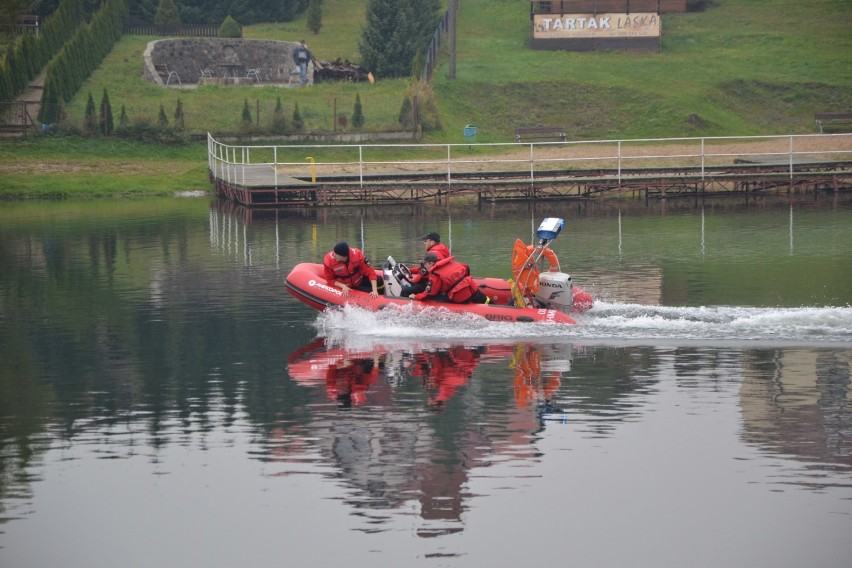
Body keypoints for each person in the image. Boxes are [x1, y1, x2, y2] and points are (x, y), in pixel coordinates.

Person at [409, 252, 490, 304]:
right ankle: (494, 306)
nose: (424, 266)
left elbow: (429, 293)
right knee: (486, 300)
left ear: (431, 263)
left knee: (435, 299)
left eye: (425, 264)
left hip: (461, 297)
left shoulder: (435, 275)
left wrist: (416, 296)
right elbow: (466, 267)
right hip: (472, 288)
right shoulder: (451, 264)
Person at [400, 232, 451, 297]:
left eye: (426, 241)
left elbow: (423, 272)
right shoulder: (441, 251)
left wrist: (413, 281)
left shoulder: (433, 254)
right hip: (437, 282)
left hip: (433, 284)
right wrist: (408, 270)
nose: (424, 243)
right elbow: (424, 269)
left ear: (432, 242)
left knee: (404, 291)